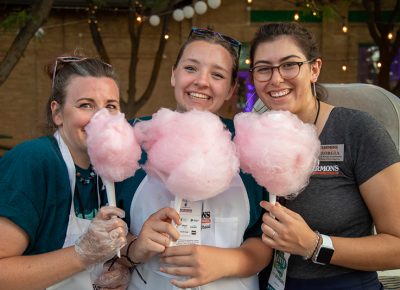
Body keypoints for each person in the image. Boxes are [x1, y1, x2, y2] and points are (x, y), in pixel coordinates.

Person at [249, 22, 400, 290]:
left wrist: (315, 245)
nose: (276, 79)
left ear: (314, 69)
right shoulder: (250, 138)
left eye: (289, 64)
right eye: (263, 69)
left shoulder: (357, 131)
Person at [120, 28, 272, 290]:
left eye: (217, 75)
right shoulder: (133, 139)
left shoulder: (250, 145)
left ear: (230, 89)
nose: (202, 81)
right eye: (191, 68)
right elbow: (106, 231)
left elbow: (263, 239)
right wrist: (134, 247)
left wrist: (227, 261)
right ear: (174, 74)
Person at [0, 56, 132, 290]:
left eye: (111, 106)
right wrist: (82, 254)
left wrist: (119, 266)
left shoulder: (108, 171)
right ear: (57, 113)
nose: (100, 118)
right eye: (86, 105)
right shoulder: (33, 161)